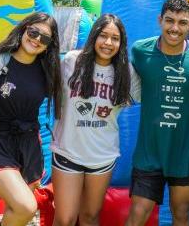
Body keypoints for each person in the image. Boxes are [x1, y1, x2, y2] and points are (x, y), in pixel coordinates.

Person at [125, 0, 189, 226]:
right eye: (169, 20)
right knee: (138, 214)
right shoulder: (141, 51)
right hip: (149, 151)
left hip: (185, 151)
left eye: (182, 22)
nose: (175, 28)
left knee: (182, 214)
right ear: (160, 20)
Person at [51, 13, 141, 226]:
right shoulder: (73, 61)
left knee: (90, 217)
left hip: (102, 156)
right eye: (103, 36)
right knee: (65, 219)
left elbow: (151, 95)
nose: (108, 43)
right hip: (68, 152)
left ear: (121, 43)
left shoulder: (126, 72)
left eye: (115, 38)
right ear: (94, 36)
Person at [0, 12, 62, 226]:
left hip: (29, 147)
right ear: (24, 29)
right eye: (34, 32)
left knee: (17, 211)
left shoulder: (49, 70)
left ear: (49, 45)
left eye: (44, 38)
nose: (36, 39)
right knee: (26, 206)